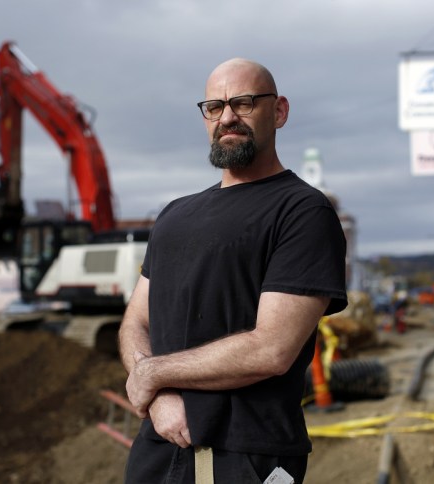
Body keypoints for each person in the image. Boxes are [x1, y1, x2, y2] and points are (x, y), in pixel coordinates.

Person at [119, 58, 348, 483]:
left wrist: (153, 374)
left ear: (278, 111)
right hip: (157, 449)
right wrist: (160, 398)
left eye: (243, 103)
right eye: (214, 106)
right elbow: (136, 320)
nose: (227, 117)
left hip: (245, 456)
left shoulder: (302, 212)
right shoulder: (173, 216)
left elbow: (272, 349)